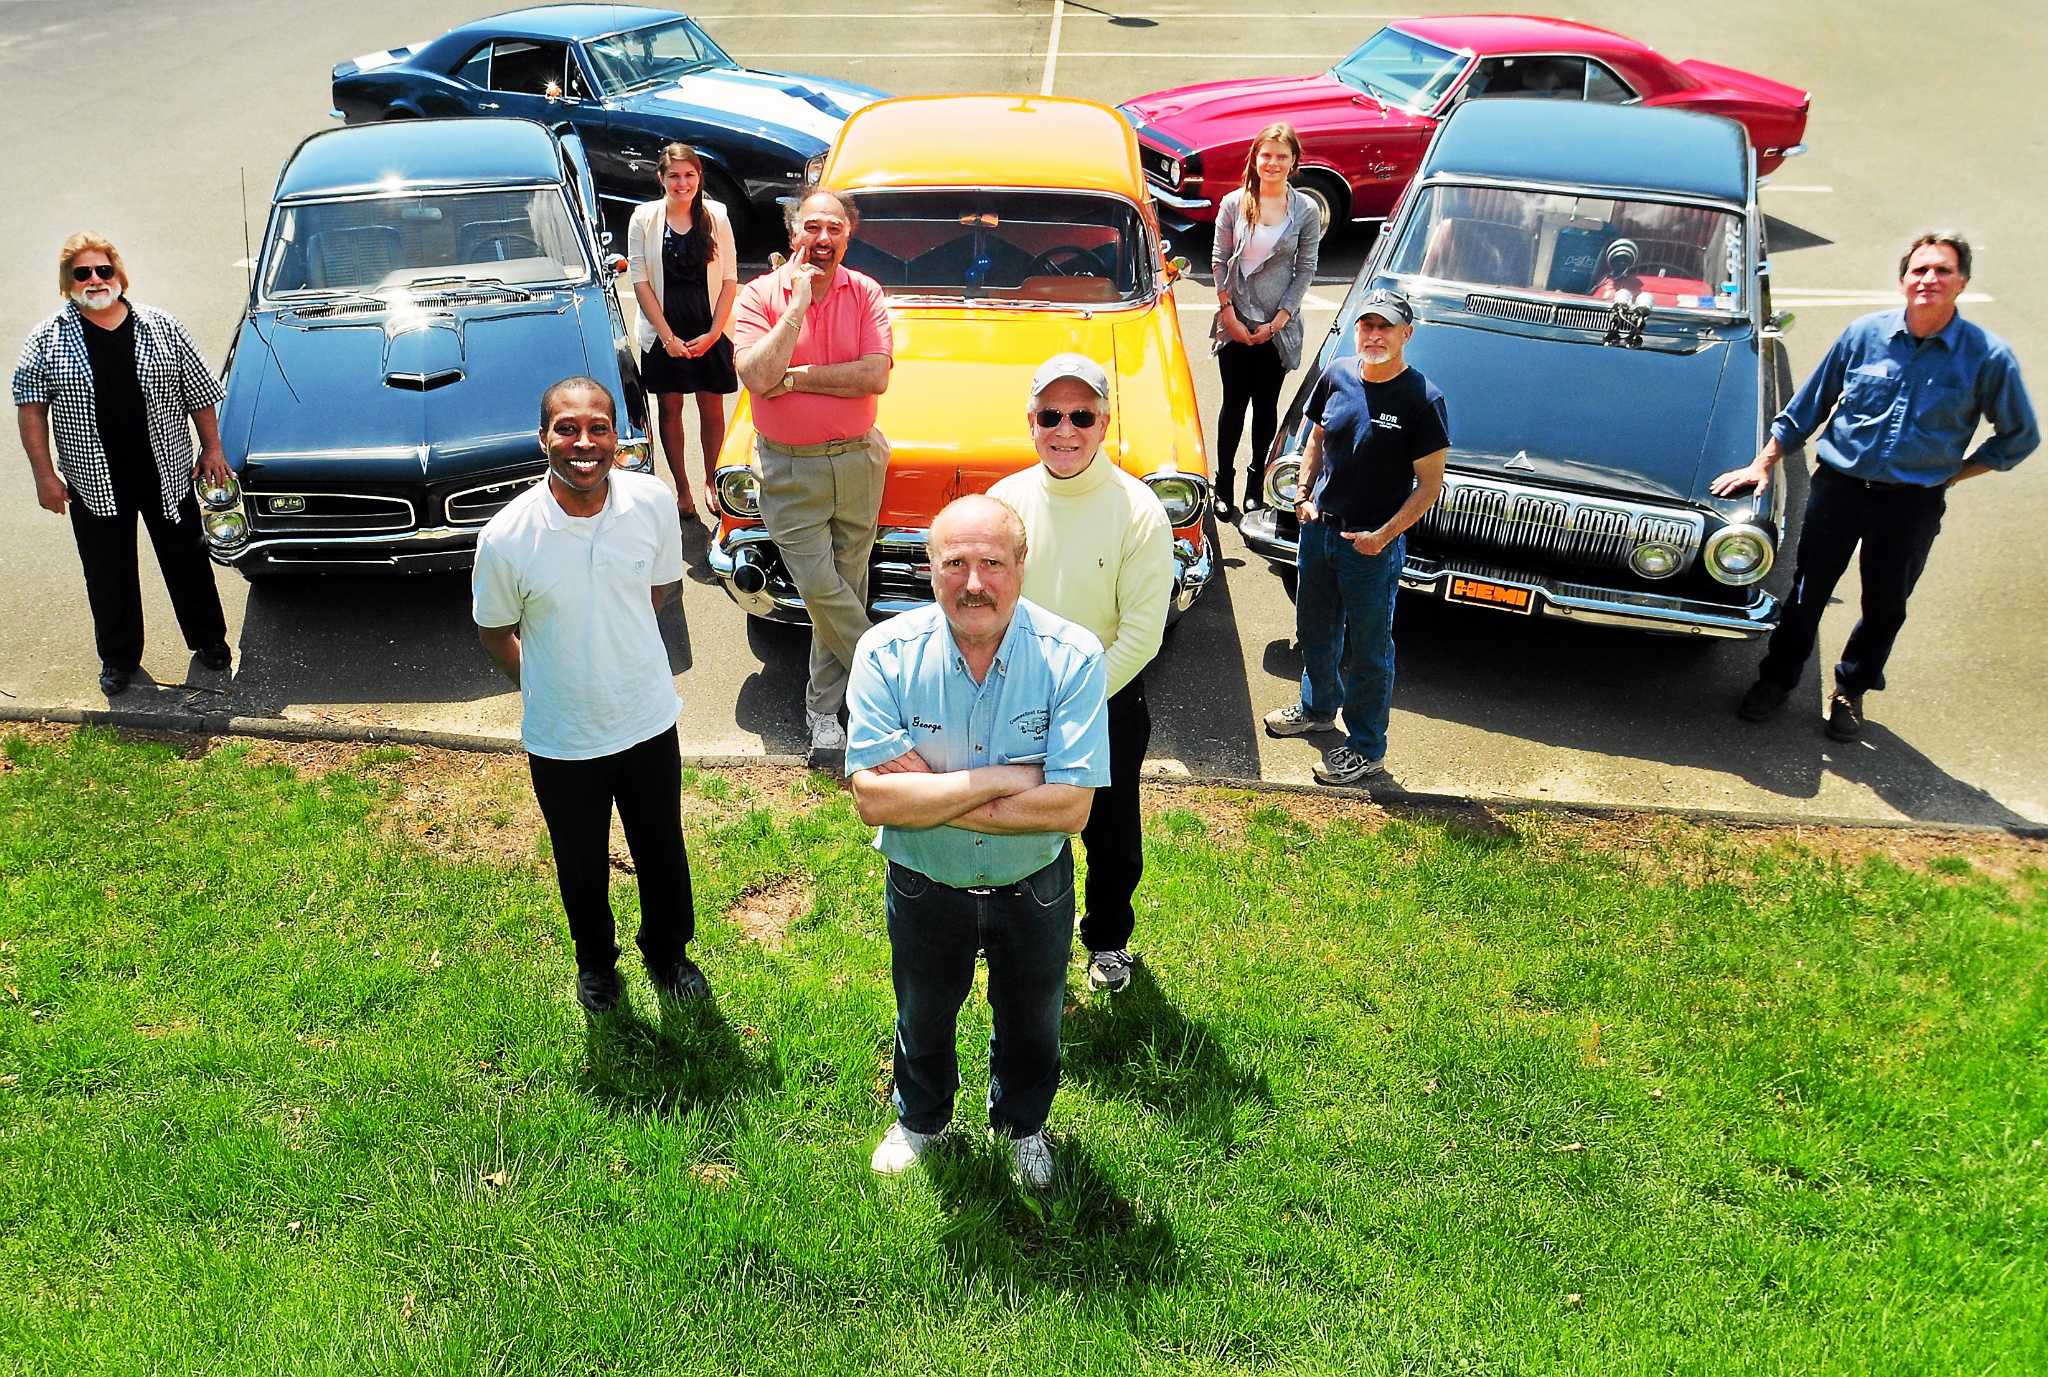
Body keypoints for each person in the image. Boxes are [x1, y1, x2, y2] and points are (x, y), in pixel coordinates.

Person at [845, 494, 1109, 1189]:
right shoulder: (884, 654)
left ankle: (1024, 1125)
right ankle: (921, 1120)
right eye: (955, 562)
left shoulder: (1073, 656)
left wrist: (930, 793)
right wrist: (1004, 778)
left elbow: (1073, 805)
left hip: (1035, 883)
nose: (973, 582)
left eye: (992, 561)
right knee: (923, 1013)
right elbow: (873, 798)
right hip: (924, 880)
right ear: (928, 568)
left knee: (1033, 1019)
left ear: (1022, 565)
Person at [1714, 232, 2037, 740]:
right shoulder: (1863, 335)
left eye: (1943, 271)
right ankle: (1776, 681)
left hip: (1912, 504)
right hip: (1839, 489)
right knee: (1805, 591)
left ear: (1963, 283)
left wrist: (1952, 474)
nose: (1929, 279)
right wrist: (1765, 461)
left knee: (1885, 604)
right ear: (1904, 280)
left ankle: (1850, 691)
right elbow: (1809, 406)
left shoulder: (1987, 358)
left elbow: (2019, 437)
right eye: (1920, 270)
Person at [473, 376, 706, 1014]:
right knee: (580, 864)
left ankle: (668, 952)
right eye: (567, 428)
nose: (584, 442)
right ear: (543, 437)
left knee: (661, 846)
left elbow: (655, 593)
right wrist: (549, 680)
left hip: (647, 717)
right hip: (562, 736)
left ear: (618, 436)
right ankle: (596, 967)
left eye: (598, 427)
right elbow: (495, 632)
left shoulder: (654, 503)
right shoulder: (507, 537)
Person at [990, 353, 1171, 995]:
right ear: (1031, 420)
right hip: (1016, 695)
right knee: (1017, 819)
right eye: (1051, 415)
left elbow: (1141, 636)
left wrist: (1073, 705)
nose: (1065, 430)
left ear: (1104, 422)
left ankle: (1108, 940)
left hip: (1108, 701)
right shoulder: (1003, 502)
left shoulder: (1140, 511)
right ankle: (1018, 930)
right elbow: (985, 606)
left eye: (1082, 415)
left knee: (1110, 829)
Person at [12, 232, 233, 695]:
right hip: (93, 482)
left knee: (188, 564)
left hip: (167, 473)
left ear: (119, 274)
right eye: (83, 273)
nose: (95, 280)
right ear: (68, 282)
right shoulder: (46, 339)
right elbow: (30, 408)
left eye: (103, 270)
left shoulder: (161, 326)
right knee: (108, 576)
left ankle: (210, 642)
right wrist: (44, 476)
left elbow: (201, 393)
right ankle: (118, 660)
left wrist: (212, 448)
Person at [731, 187, 894, 763]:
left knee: (848, 586)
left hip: (857, 459)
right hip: (789, 467)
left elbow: (874, 375)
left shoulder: (867, 292)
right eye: (812, 228)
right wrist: (795, 308)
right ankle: (896, 684)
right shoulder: (759, 296)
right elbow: (754, 373)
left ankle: (825, 712)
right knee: (821, 587)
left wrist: (797, 379)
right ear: (793, 232)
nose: (822, 240)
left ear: (848, 236)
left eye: (834, 230)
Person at [1264, 288, 1448, 785]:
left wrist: (1383, 537)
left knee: (1369, 650)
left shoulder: (1422, 400)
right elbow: (1317, 437)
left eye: (1385, 327)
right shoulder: (1338, 373)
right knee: (1315, 630)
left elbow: (1429, 486)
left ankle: (1367, 746)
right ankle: (1317, 708)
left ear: (1406, 334)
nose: (1373, 335)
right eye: (1367, 325)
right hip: (1318, 532)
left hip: (1371, 547)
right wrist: (1302, 495)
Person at [1210, 122, 1321, 518]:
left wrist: (1278, 321)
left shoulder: (1305, 209)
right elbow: (1219, 261)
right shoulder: (1232, 204)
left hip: (1277, 330)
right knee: (1233, 406)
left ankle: (1257, 485)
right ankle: (1223, 484)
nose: (1272, 163)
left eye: (1281, 156)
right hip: (1235, 324)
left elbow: (1306, 268)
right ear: (1255, 159)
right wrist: (1229, 314)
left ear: (1294, 163)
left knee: (1266, 407)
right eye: (1266, 155)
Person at [627, 143, 739, 521]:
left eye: (689, 175)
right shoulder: (643, 219)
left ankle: (712, 480)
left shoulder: (717, 216)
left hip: (709, 329)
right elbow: (640, 282)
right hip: (664, 334)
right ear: (661, 178)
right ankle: (683, 490)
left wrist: (713, 334)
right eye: (674, 175)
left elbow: (728, 280)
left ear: (699, 178)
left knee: (711, 408)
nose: (682, 183)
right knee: (670, 408)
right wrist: (668, 339)